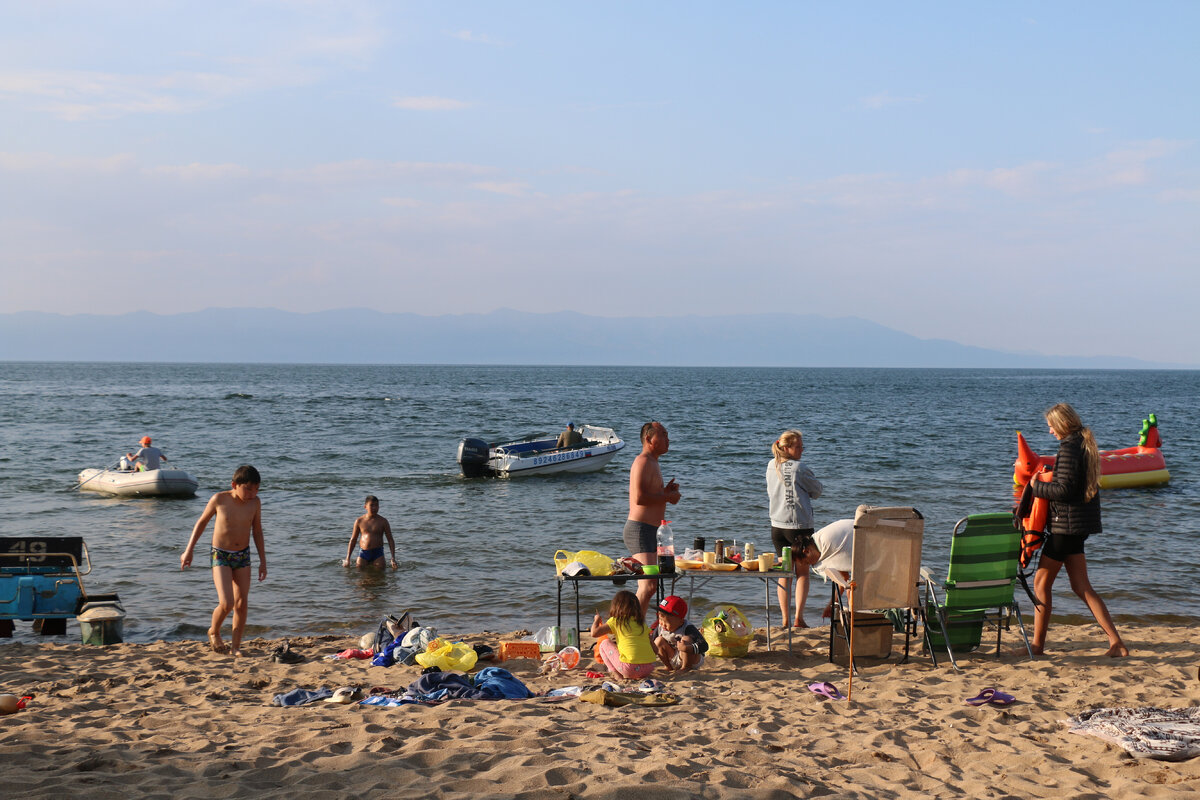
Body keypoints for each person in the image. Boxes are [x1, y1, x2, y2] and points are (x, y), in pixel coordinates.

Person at [1027, 403, 1128, 657]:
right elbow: (1070, 483)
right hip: (1076, 526)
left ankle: (1037, 647)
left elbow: (1064, 490)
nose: (1050, 431)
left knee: (1040, 584)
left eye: (1051, 426)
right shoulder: (1082, 446)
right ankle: (1116, 643)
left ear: (1061, 424)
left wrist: (1036, 486)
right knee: (1082, 586)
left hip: (1065, 527)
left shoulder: (1069, 448)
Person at [180, 465, 266, 656]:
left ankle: (236, 647)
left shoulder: (255, 503)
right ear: (234, 485)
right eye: (248, 489)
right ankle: (214, 630)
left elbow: (257, 532)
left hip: (243, 555)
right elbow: (201, 523)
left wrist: (263, 561)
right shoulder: (220, 499)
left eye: (256, 489)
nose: (253, 493)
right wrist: (189, 550)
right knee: (226, 602)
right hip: (220, 554)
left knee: (242, 603)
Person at [766, 430, 824, 627]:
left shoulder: (771, 466)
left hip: (778, 526)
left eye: (801, 446)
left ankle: (785, 619)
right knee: (802, 573)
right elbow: (817, 491)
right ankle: (798, 617)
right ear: (785, 448)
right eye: (797, 446)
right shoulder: (800, 468)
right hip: (799, 527)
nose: (801, 450)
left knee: (785, 572)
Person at [626, 421, 681, 616]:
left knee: (650, 586)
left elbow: (652, 497)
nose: (668, 439)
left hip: (653, 531)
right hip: (640, 529)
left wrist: (667, 493)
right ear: (649, 439)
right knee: (649, 585)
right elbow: (639, 498)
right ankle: (633, 630)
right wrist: (667, 496)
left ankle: (635, 628)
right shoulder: (642, 461)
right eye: (663, 434)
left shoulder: (653, 462)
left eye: (667, 434)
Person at [793, 518, 854, 624]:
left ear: (807, 551)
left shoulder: (827, 544)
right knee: (851, 587)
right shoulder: (819, 542)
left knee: (852, 589)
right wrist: (831, 605)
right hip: (868, 534)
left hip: (871, 546)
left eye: (807, 562)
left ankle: (855, 626)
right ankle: (855, 624)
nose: (811, 565)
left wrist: (831, 604)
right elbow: (843, 579)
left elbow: (845, 579)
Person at [589, 589, 657, 680]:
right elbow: (656, 651)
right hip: (649, 667)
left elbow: (594, 633)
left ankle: (617, 675)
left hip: (630, 669)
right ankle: (639, 673)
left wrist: (596, 620)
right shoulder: (641, 624)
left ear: (616, 607)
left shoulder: (617, 621)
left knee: (604, 644)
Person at [652, 595, 707, 672]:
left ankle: (686, 667)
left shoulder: (687, 628)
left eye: (667, 622)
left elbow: (704, 646)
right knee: (658, 641)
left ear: (681, 621)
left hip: (693, 659)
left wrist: (686, 648)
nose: (662, 624)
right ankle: (669, 667)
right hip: (674, 656)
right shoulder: (660, 627)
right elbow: (651, 642)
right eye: (660, 620)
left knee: (686, 639)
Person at [342, 495, 397, 569]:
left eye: (376, 505)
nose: (374, 508)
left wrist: (393, 558)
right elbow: (353, 539)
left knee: (380, 575)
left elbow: (390, 539)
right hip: (363, 552)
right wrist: (347, 558)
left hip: (378, 553)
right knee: (359, 574)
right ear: (365, 507)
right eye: (371, 505)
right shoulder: (359, 521)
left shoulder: (383, 521)